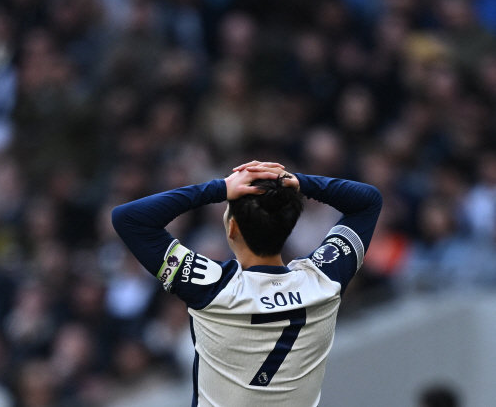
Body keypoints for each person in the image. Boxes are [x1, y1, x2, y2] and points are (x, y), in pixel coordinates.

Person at [112, 161, 382, 407]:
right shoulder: (324, 279)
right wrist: (296, 182)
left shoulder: (212, 288)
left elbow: (130, 218)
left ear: (232, 228)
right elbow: (367, 201)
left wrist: (220, 188)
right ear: (289, 226)